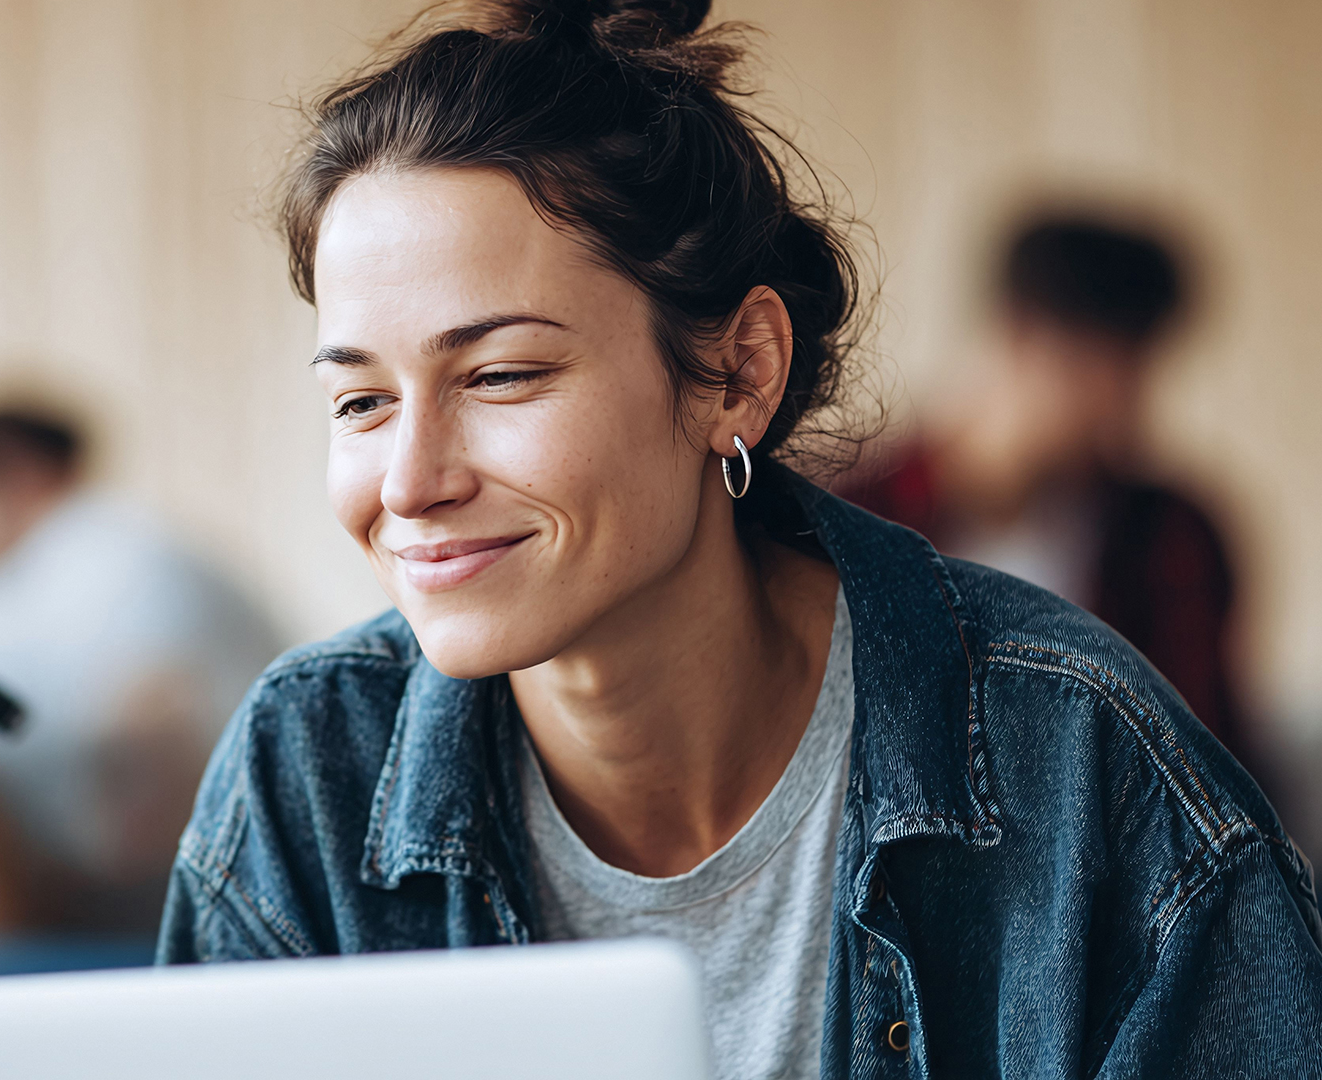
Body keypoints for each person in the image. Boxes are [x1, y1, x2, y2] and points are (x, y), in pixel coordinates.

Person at [156, 1, 1322, 1076]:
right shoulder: (306, 772)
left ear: (736, 372)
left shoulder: (1088, 774)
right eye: (360, 401)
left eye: (502, 375)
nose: (408, 482)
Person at [0, 407, 281, 973]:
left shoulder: (103, 548)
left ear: (9, 479)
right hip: (201, 860)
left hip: (186, 879)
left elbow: (151, 713)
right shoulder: (110, 555)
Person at [843, 214, 1256, 771]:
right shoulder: (860, 511)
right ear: (1017, 336)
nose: (1123, 405)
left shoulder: (1172, 536)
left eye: (1139, 369)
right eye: (1097, 369)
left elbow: (1210, 763)